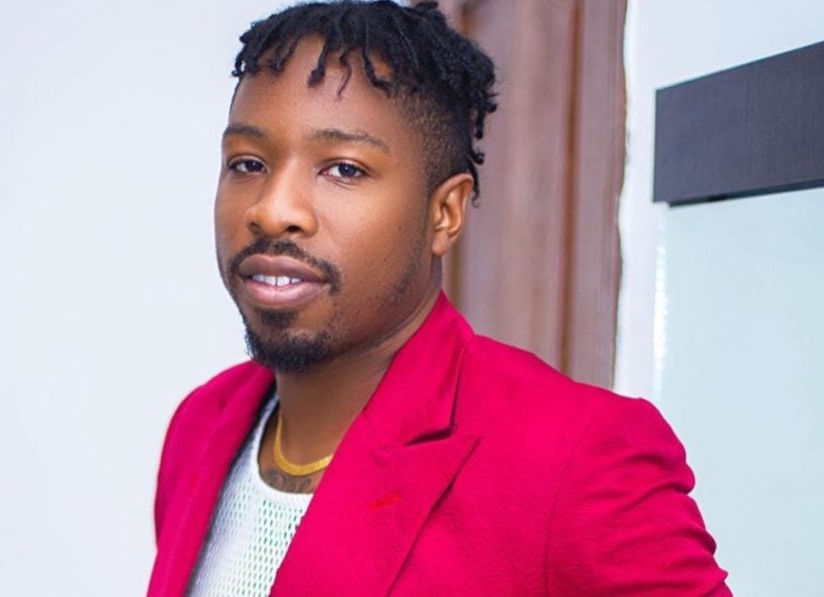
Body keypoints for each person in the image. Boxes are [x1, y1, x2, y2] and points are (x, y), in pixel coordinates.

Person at [149, 1, 731, 595]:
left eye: (344, 169)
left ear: (445, 213)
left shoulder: (573, 458)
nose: (273, 210)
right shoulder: (202, 427)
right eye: (248, 163)